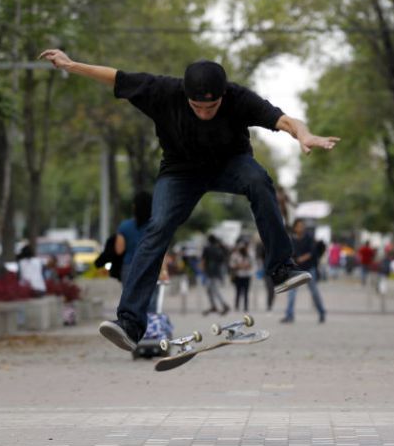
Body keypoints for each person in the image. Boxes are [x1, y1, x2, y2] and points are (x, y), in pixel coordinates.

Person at [39, 48, 340, 351]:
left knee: (259, 181)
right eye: (198, 107)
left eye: (212, 107)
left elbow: (286, 120)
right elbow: (116, 77)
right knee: (157, 227)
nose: (205, 113)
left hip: (230, 165)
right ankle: (130, 323)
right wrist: (72, 65)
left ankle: (281, 269)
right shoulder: (163, 91)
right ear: (187, 96)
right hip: (180, 173)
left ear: (223, 95)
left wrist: (303, 134)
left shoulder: (238, 98)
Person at [280, 219, 327, 324]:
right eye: (299, 226)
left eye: (302, 226)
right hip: (296, 270)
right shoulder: (292, 239)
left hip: (309, 269)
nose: (301, 228)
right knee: (292, 293)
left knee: (314, 292)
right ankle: (289, 315)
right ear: (295, 227)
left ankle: (322, 312)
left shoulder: (309, 238)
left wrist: (302, 258)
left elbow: (312, 252)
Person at [201, 234, 230, 316]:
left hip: (209, 272)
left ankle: (224, 305)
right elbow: (222, 260)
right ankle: (213, 306)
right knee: (209, 289)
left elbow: (203, 260)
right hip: (217, 272)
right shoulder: (218, 249)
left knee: (214, 289)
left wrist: (202, 270)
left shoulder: (207, 248)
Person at [229, 239, 254, 312]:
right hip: (238, 276)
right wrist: (239, 266)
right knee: (238, 291)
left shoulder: (249, 255)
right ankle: (237, 306)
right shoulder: (235, 255)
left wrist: (246, 266)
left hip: (246, 276)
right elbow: (232, 265)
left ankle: (246, 307)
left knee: (246, 292)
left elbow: (252, 265)